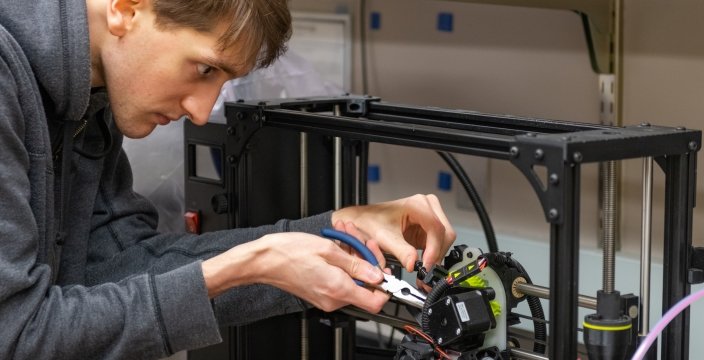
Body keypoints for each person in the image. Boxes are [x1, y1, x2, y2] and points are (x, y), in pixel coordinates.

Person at [0, 0, 456, 359]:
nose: (201, 111)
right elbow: (16, 335)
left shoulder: (90, 99)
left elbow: (115, 267)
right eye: (204, 69)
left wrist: (337, 230)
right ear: (126, 7)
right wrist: (242, 267)